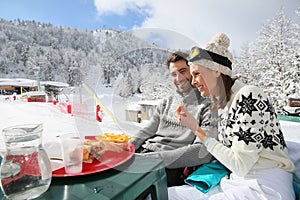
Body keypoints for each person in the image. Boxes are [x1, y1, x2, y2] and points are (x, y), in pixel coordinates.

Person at [168, 33, 295, 199]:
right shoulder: (225, 105)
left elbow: (240, 164)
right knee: (166, 194)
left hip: (265, 185)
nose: (193, 82)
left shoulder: (249, 96)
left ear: (217, 71)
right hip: (235, 181)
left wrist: (197, 130)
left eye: (197, 73)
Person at [132, 52, 218, 187]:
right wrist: (129, 148)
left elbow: (202, 152)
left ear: (193, 71)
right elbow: (147, 131)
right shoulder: (167, 102)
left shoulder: (209, 107)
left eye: (183, 71)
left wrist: (152, 160)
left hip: (169, 166)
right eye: (173, 74)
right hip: (143, 154)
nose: (178, 78)